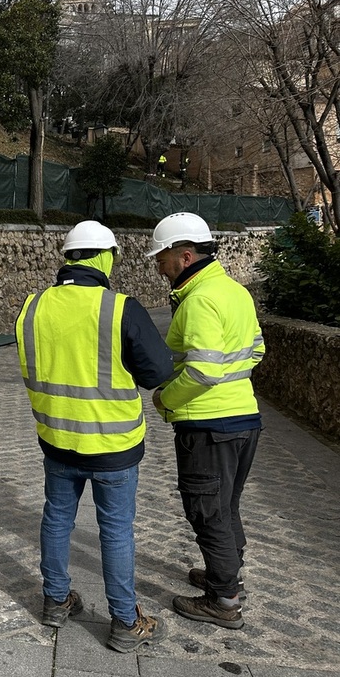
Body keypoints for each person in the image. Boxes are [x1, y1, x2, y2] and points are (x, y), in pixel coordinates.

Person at [15, 220, 172, 653]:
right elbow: (158, 372)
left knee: (56, 518)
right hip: (113, 448)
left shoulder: (32, 306)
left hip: (56, 440)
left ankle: (56, 601)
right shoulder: (119, 308)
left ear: (68, 258)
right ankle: (124, 622)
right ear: (105, 258)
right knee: (116, 532)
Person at [147, 212, 264, 630]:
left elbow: (203, 370)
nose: (158, 267)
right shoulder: (235, 292)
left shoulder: (198, 300)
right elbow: (256, 352)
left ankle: (224, 601)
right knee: (226, 505)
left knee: (206, 512)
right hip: (244, 419)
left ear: (185, 256)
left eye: (161, 259)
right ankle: (226, 575)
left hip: (208, 426)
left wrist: (164, 399)